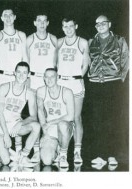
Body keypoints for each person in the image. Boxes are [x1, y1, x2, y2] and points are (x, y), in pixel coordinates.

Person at [87, 15, 129, 166]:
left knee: (112, 119)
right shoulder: (91, 42)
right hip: (95, 85)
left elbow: (126, 59)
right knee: (97, 120)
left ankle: (111, 155)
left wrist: (120, 78)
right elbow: (87, 61)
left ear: (109, 24)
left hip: (113, 85)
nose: (100, 26)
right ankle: (100, 155)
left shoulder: (119, 40)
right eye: (97, 24)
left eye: (103, 23)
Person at [57, 17, 90, 163]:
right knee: (62, 117)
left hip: (75, 83)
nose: (68, 29)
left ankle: (77, 152)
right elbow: (55, 63)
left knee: (76, 118)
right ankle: (61, 151)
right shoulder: (59, 42)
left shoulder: (82, 42)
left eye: (70, 26)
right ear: (62, 27)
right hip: (61, 83)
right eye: (65, 26)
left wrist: (77, 77)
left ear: (76, 26)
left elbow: (86, 64)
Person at [0, 62, 40, 166]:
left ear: (28, 74)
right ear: (14, 73)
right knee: (6, 161)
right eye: (19, 72)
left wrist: (20, 123)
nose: (21, 75)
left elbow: (33, 116)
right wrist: (6, 134)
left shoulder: (30, 93)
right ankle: (3, 153)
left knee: (36, 126)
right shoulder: (4, 87)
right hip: (0, 124)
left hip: (14, 124)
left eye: (24, 73)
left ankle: (23, 155)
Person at [36, 68, 74, 168]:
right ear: (44, 78)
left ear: (57, 77)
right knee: (47, 161)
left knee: (62, 125)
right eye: (47, 77)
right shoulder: (40, 91)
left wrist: (50, 123)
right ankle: (56, 149)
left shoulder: (67, 92)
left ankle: (63, 155)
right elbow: (40, 110)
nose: (49, 79)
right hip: (50, 129)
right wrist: (44, 127)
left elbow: (70, 116)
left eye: (52, 76)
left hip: (65, 127)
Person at [0, 8, 28, 88]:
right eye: (5, 15)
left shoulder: (21, 35)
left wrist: (27, 78)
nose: (8, 18)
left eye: (10, 15)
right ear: (2, 18)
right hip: (0, 76)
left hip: (17, 77)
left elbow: (25, 58)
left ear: (14, 17)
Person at [27, 13, 57, 92]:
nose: (42, 23)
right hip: (34, 78)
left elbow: (57, 61)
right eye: (39, 21)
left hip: (49, 79)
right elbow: (26, 60)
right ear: (35, 23)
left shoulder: (53, 39)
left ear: (48, 23)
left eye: (44, 21)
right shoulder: (30, 39)